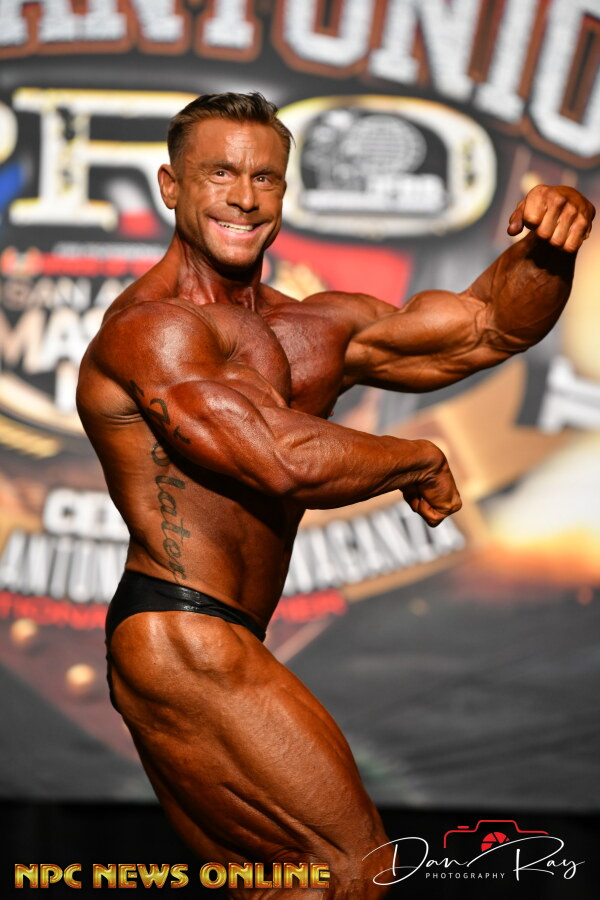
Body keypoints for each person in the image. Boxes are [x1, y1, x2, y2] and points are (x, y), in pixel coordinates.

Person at [76, 92, 594, 898]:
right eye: (219, 174)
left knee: (289, 885)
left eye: (265, 178)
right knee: (357, 869)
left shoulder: (315, 327)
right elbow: (277, 459)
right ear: (172, 186)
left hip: (218, 635)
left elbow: (489, 328)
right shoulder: (153, 329)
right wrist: (416, 459)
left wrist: (551, 245)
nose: (244, 198)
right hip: (181, 635)